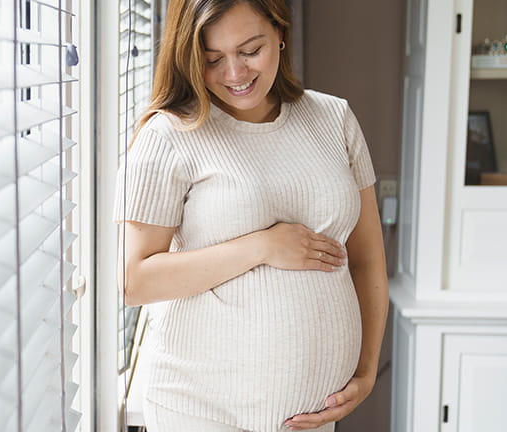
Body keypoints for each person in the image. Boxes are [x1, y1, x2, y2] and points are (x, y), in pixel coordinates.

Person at [113, 0, 389, 431]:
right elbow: (134, 280)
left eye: (250, 50)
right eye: (212, 59)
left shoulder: (334, 119)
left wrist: (366, 371)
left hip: (314, 416)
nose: (235, 74)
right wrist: (260, 247)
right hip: (204, 411)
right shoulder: (169, 136)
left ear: (280, 34)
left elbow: (368, 259)